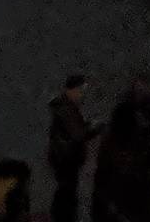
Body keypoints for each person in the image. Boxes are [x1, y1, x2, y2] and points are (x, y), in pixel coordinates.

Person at [47, 76, 101, 222]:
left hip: (65, 158)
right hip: (66, 158)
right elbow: (78, 134)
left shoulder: (65, 107)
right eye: (80, 91)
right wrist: (94, 128)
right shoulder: (66, 109)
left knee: (66, 192)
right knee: (67, 194)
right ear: (71, 90)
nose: (81, 95)